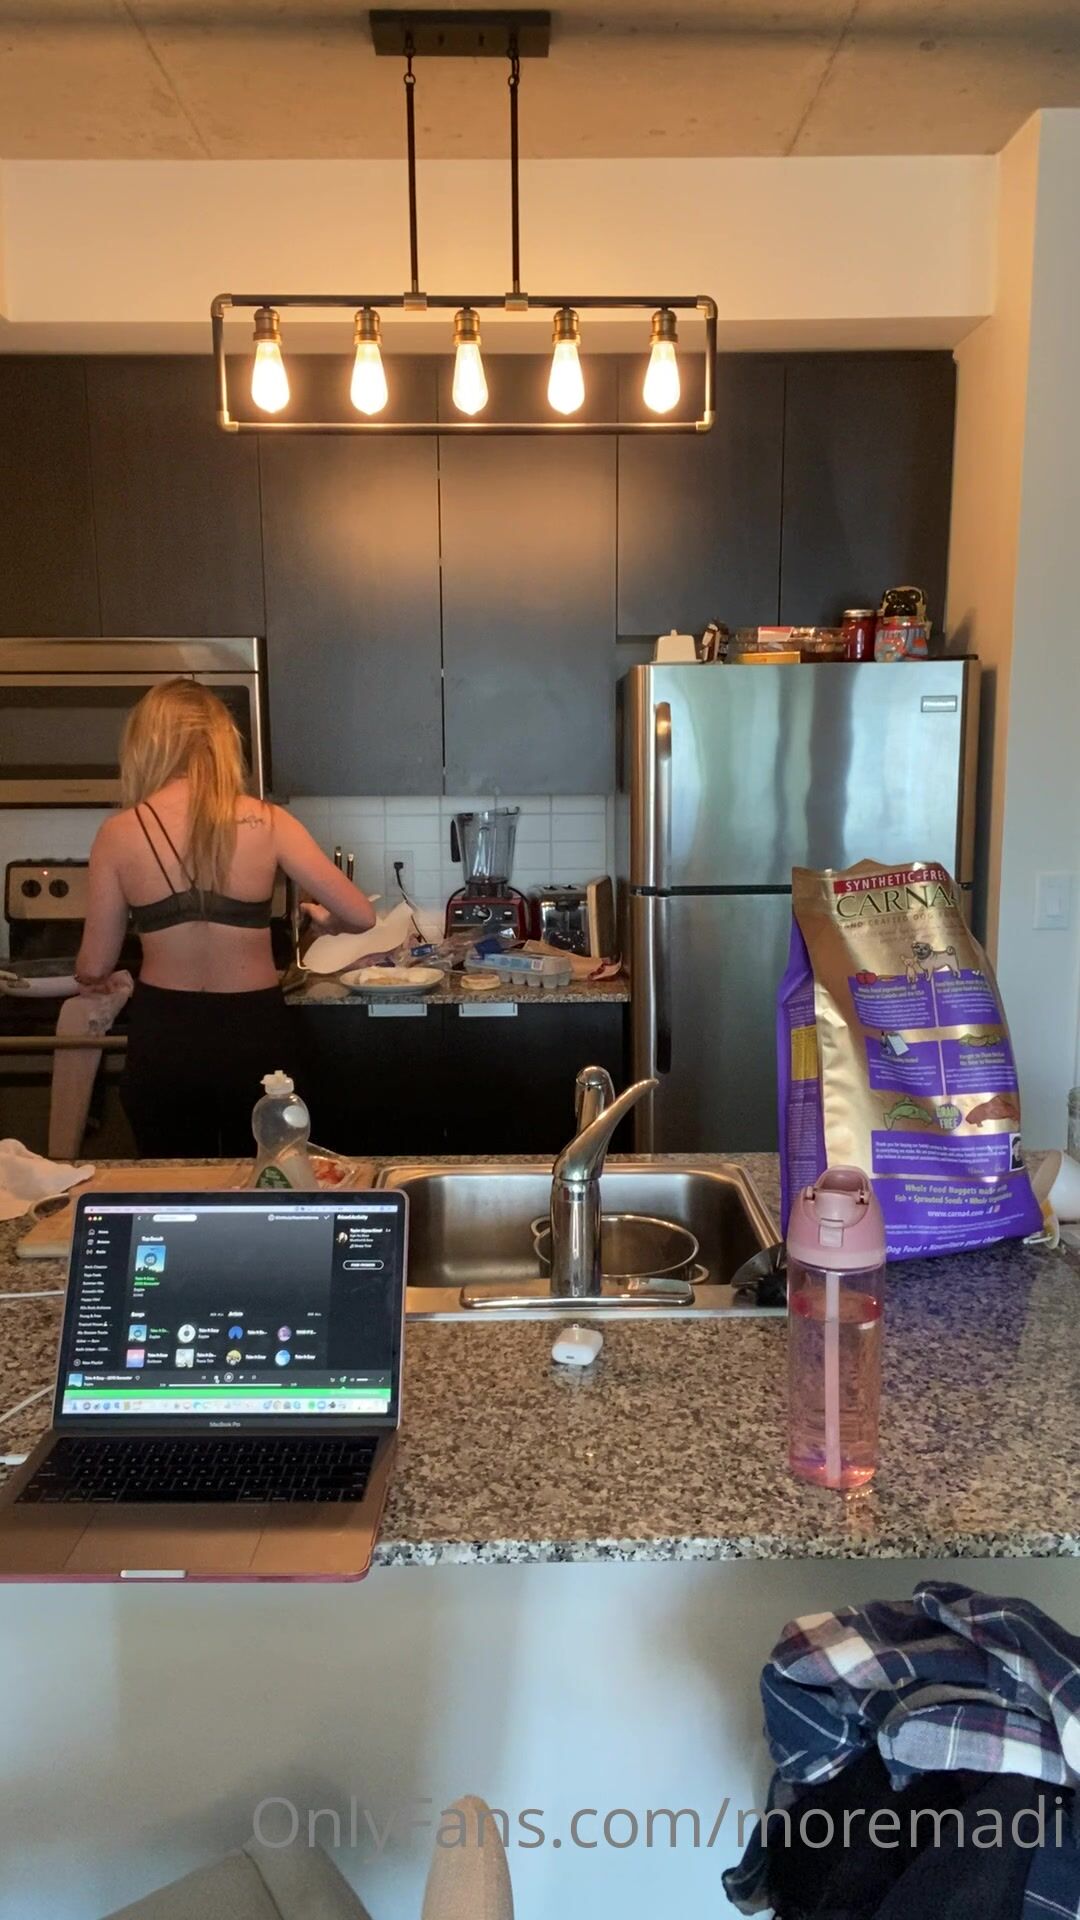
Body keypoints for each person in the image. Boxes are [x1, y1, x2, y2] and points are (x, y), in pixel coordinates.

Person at [75, 679, 376, 1157]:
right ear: (221, 743)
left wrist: (103, 980)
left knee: (173, 1183)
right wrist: (326, 921)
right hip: (253, 1032)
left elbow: (93, 965)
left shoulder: (119, 833)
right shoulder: (268, 821)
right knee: (267, 1174)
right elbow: (360, 915)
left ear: (146, 743)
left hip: (164, 1035)